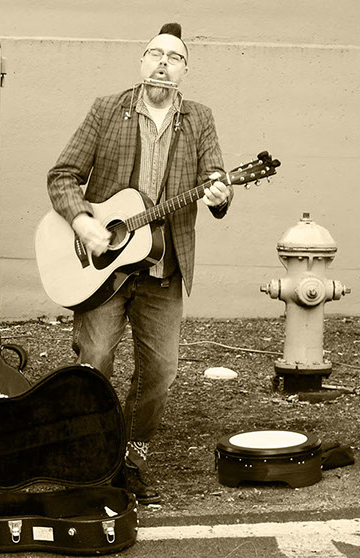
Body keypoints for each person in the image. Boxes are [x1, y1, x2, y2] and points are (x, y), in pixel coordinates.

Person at [46, 24, 233, 505]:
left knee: (161, 371)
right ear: (142, 62)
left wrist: (219, 190)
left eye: (174, 57)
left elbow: (215, 174)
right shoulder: (108, 109)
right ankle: (89, 453)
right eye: (155, 53)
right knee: (96, 361)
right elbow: (63, 175)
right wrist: (84, 222)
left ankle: (132, 455)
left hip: (161, 270)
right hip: (101, 271)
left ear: (184, 71)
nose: (163, 62)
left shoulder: (199, 119)